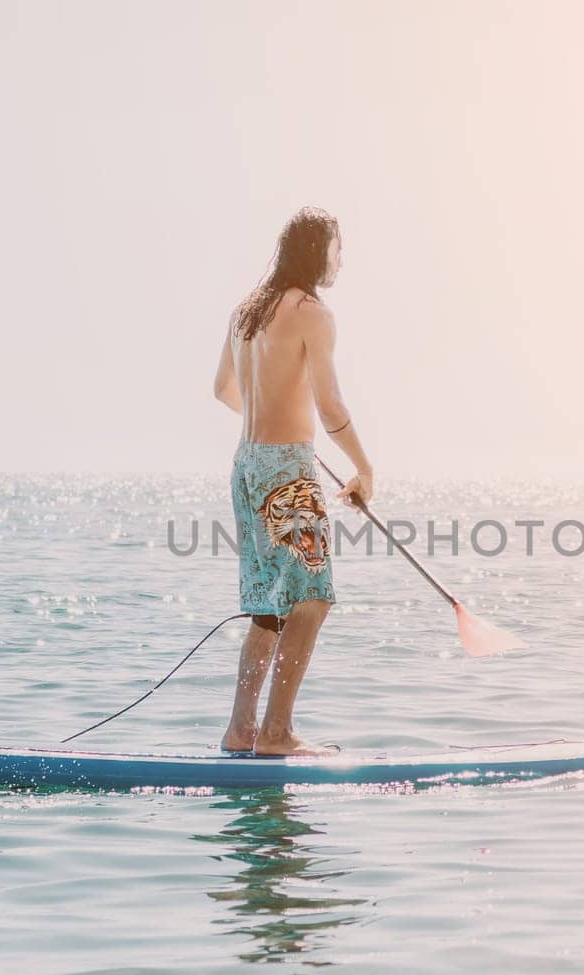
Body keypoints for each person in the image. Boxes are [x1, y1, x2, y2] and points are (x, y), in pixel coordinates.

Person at [212, 207, 374, 757]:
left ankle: (242, 730)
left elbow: (222, 389)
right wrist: (362, 469)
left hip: (246, 468)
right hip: (286, 474)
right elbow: (330, 405)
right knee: (311, 598)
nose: (340, 259)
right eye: (337, 248)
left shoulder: (245, 312)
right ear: (317, 250)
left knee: (268, 603)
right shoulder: (312, 313)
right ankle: (277, 734)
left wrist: (275, 420)